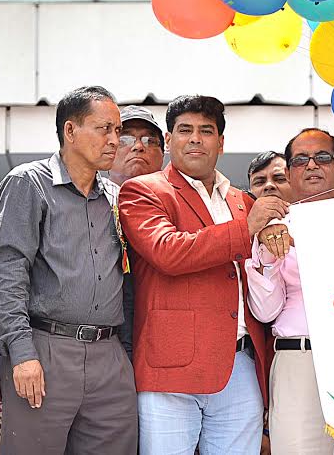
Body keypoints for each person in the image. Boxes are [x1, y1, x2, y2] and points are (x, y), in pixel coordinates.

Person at [118, 95, 275, 454]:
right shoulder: (143, 190)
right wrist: (245, 229)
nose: (195, 139)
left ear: (221, 142)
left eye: (206, 131)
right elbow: (168, 251)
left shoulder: (241, 200)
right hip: (171, 367)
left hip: (240, 364)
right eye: (184, 130)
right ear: (170, 140)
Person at [0, 86, 137, 454]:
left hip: (110, 357)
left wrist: (126, 353)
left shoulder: (117, 197)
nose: (114, 140)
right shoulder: (28, 183)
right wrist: (22, 353)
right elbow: (8, 271)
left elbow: (130, 280)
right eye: (104, 128)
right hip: (44, 351)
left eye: (117, 131)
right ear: (70, 131)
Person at [244, 128, 334, 455]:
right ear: (290, 172)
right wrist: (265, 254)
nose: (312, 166)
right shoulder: (274, 228)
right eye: (301, 160)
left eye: (323, 157)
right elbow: (264, 311)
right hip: (299, 361)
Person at [110, 105, 166, 360]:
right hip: (101, 345)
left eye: (149, 140)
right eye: (126, 138)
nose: (138, 146)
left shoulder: (180, 205)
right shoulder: (87, 201)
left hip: (162, 345)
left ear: (163, 154)